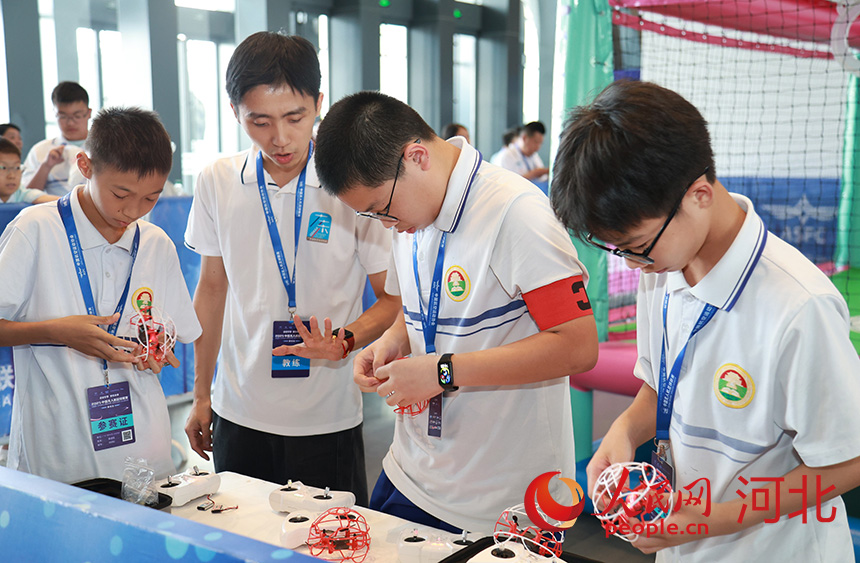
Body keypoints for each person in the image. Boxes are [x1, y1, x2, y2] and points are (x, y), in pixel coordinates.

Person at [550, 80, 860, 562]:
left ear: (698, 195)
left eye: (636, 245)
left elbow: (848, 460)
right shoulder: (663, 268)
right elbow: (661, 389)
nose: (632, 265)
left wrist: (707, 521)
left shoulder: (799, 307)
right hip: (683, 546)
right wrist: (627, 430)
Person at [314, 91, 598, 533]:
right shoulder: (410, 213)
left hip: (499, 501)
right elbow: (414, 308)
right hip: (410, 471)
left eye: (382, 210)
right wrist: (391, 342)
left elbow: (578, 346)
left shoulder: (516, 213)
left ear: (417, 157)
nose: (388, 225)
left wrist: (442, 372)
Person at [183, 32, 399, 504]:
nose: (280, 139)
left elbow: (392, 298)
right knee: (242, 544)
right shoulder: (218, 180)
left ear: (319, 103)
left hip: (327, 415)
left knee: (332, 546)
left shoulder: (353, 183)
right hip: (239, 410)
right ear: (236, 111)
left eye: (295, 117)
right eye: (259, 121)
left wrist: (345, 339)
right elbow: (212, 290)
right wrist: (202, 395)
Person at [0, 107, 202, 484]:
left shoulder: (155, 243)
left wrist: (155, 345)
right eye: (121, 193)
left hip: (145, 451)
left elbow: (175, 330)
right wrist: (56, 332)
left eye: (150, 198)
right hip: (59, 455)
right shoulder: (36, 231)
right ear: (85, 165)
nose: (132, 211)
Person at [22, 81, 90, 195]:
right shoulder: (40, 150)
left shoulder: (104, 147)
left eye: (77, 116)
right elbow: (26, 196)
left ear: (89, 113)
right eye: (63, 117)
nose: (71, 123)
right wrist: (46, 166)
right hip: (54, 210)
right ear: (55, 113)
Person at [0, 139, 57, 205]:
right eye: (3, 168)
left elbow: (58, 202)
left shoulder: (20, 193)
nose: (12, 176)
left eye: (17, 167)